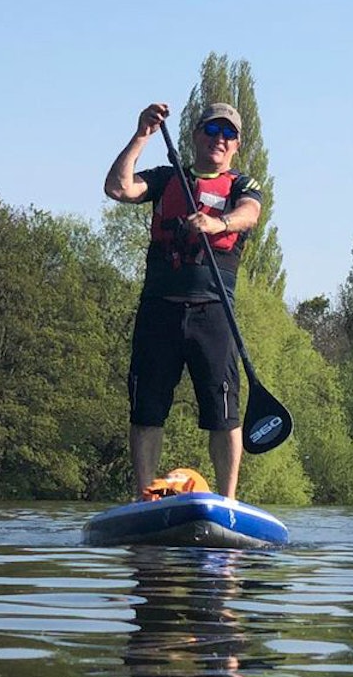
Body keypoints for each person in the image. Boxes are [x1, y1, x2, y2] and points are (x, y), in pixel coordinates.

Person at [104, 102, 262, 499]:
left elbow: (250, 214)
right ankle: (144, 496)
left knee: (224, 416)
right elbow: (118, 188)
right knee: (146, 411)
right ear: (195, 135)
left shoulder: (243, 186)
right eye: (212, 130)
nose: (219, 140)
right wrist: (142, 135)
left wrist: (218, 222)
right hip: (160, 310)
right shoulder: (164, 178)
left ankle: (227, 500)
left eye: (228, 134)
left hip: (214, 312)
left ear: (237, 145)